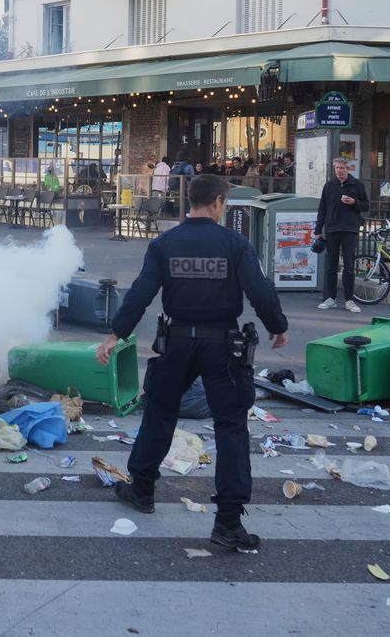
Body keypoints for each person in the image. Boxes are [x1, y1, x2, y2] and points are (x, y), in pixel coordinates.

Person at [95, 174, 288, 552]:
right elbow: (260, 291)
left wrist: (115, 334)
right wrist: (277, 327)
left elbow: (141, 293)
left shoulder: (165, 244)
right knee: (231, 426)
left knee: (159, 414)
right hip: (222, 346)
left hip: (176, 342)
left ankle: (142, 489)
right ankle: (228, 521)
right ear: (218, 202)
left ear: (191, 201)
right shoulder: (235, 244)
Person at [314, 157, 370, 312]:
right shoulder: (329, 185)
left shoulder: (357, 185)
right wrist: (318, 230)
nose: (339, 171)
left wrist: (354, 202)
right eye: (337, 168)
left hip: (350, 229)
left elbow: (366, 205)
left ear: (348, 169)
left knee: (349, 266)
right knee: (331, 266)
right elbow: (322, 209)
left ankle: (349, 300)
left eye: (342, 168)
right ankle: (330, 298)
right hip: (332, 229)